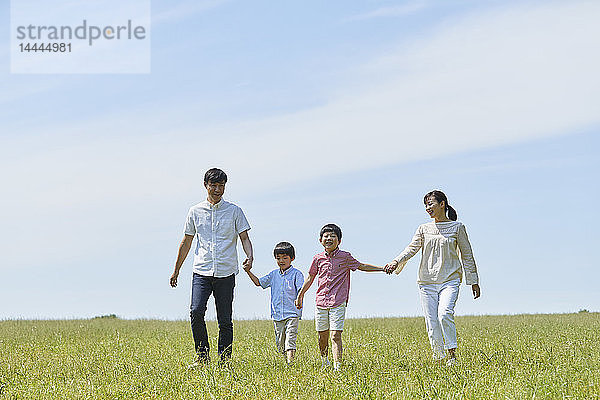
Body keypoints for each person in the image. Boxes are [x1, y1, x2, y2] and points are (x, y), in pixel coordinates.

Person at [384, 190, 481, 366]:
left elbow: (467, 255)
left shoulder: (457, 227)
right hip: (427, 282)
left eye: (431, 204)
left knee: (444, 314)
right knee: (431, 321)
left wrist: (473, 281)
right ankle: (439, 357)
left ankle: (452, 355)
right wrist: (396, 261)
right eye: (426, 205)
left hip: (450, 280)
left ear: (442, 204)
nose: (428, 208)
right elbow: (411, 249)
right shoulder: (424, 229)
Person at [169, 168, 253, 367]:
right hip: (201, 270)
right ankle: (202, 357)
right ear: (205, 185)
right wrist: (176, 270)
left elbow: (245, 238)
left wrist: (250, 256)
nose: (217, 189)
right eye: (213, 185)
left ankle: (224, 362)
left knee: (225, 320)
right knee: (196, 312)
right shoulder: (195, 211)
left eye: (221, 185)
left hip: (226, 271)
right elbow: (186, 242)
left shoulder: (234, 211)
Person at [295, 223, 384, 371]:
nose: (329, 238)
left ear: (339, 240)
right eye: (326, 236)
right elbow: (310, 278)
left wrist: (382, 268)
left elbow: (361, 266)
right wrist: (300, 296)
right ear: (320, 240)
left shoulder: (345, 257)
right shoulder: (317, 259)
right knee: (322, 336)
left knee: (335, 335)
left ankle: (338, 367)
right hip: (321, 301)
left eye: (332, 236)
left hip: (338, 301)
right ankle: (325, 361)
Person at [243, 241, 304, 364]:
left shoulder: (297, 274)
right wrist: (248, 271)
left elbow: (301, 290)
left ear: (292, 258)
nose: (281, 261)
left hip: (292, 313)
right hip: (277, 315)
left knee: (290, 339)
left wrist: (299, 298)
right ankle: (284, 362)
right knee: (280, 342)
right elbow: (258, 282)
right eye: (278, 258)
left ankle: (290, 365)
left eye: (285, 258)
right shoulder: (273, 275)